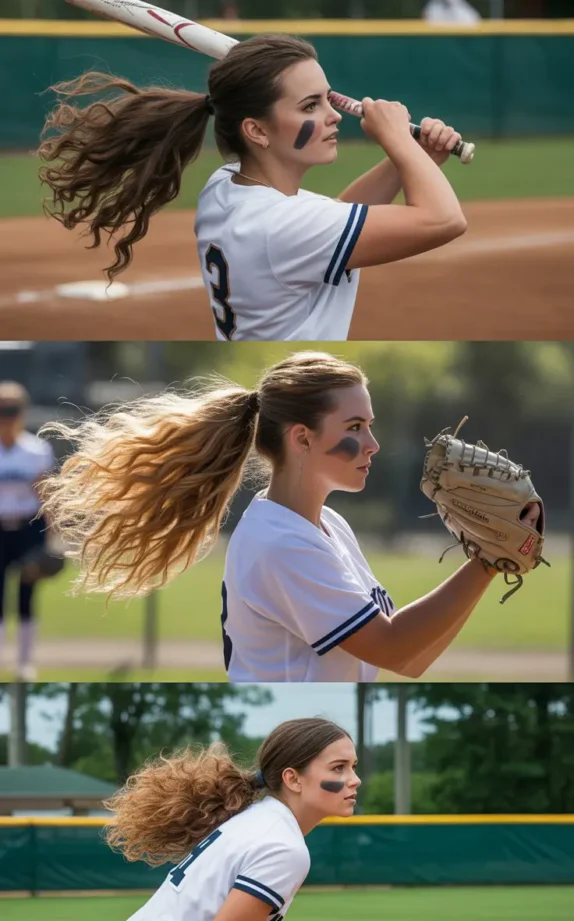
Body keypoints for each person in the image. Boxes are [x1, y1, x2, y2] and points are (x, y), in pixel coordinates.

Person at [38, 351, 542, 684]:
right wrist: (484, 562)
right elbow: (392, 646)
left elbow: (409, 660)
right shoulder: (281, 542)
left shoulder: (326, 526)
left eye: (370, 425)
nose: (372, 443)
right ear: (301, 437)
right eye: (355, 426)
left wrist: (492, 558)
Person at [39, 34, 467, 342]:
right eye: (309, 106)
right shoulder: (284, 226)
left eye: (325, 100)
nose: (333, 116)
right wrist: (395, 138)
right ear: (257, 131)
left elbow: (336, 218)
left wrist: (412, 158)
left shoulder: (226, 188)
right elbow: (445, 220)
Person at [91, 717, 359, 921]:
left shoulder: (260, 820)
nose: (354, 779)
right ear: (293, 779)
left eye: (353, 766)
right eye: (339, 768)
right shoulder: (282, 846)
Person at [0, 382, 55, 682]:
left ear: (22, 413)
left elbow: (46, 495)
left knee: (25, 595)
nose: (6, 416)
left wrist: (53, 535)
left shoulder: (36, 450)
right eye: (1, 410)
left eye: (12, 410)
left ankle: (24, 663)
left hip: (28, 527)